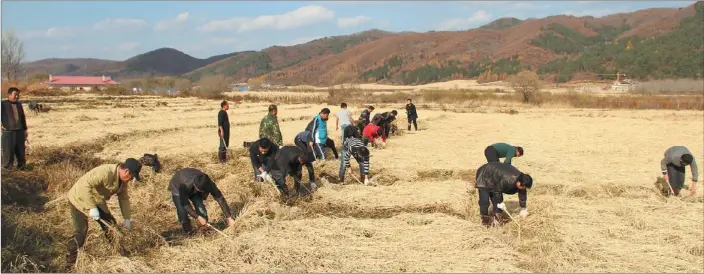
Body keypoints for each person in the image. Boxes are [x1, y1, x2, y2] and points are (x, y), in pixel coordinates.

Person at [65, 158, 142, 270]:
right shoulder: (106, 172)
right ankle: (69, 265)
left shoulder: (122, 181)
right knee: (81, 233)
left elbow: (124, 198)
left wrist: (127, 218)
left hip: (97, 200)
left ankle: (121, 252)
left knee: (111, 226)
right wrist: (91, 208)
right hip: (79, 198)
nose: (131, 179)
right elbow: (84, 186)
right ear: (126, 172)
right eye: (132, 176)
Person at [168, 168, 236, 235]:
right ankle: (189, 231)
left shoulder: (208, 182)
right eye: (198, 190)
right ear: (195, 185)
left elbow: (220, 198)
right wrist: (198, 217)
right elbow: (185, 204)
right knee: (182, 211)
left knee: (199, 206)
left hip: (192, 185)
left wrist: (229, 218)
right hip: (178, 187)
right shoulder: (184, 185)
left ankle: (204, 229)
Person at [474, 162, 532, 227]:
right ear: (518, 183)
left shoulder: (523, 180)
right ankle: (484, 220)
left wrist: (523, 208)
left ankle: (498, 219)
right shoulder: (508, 180)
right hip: (485, 173)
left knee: (497, 200)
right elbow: (497, 191)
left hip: (496, 177)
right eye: (523, 187)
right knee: (484, 200)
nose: (523, 189)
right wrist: (500, 202)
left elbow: (522, 193)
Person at [1, 87, 29, 170]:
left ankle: (21, 166)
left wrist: (25, 129)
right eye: (15, 95)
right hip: (8, 131)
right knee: (8, 150)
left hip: (20, 131)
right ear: (9, 95)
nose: (17, 96)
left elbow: (23, 117)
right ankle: (7, 167)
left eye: (18, 95)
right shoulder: (3, 104)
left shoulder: (19, 105)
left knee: (20, 150)